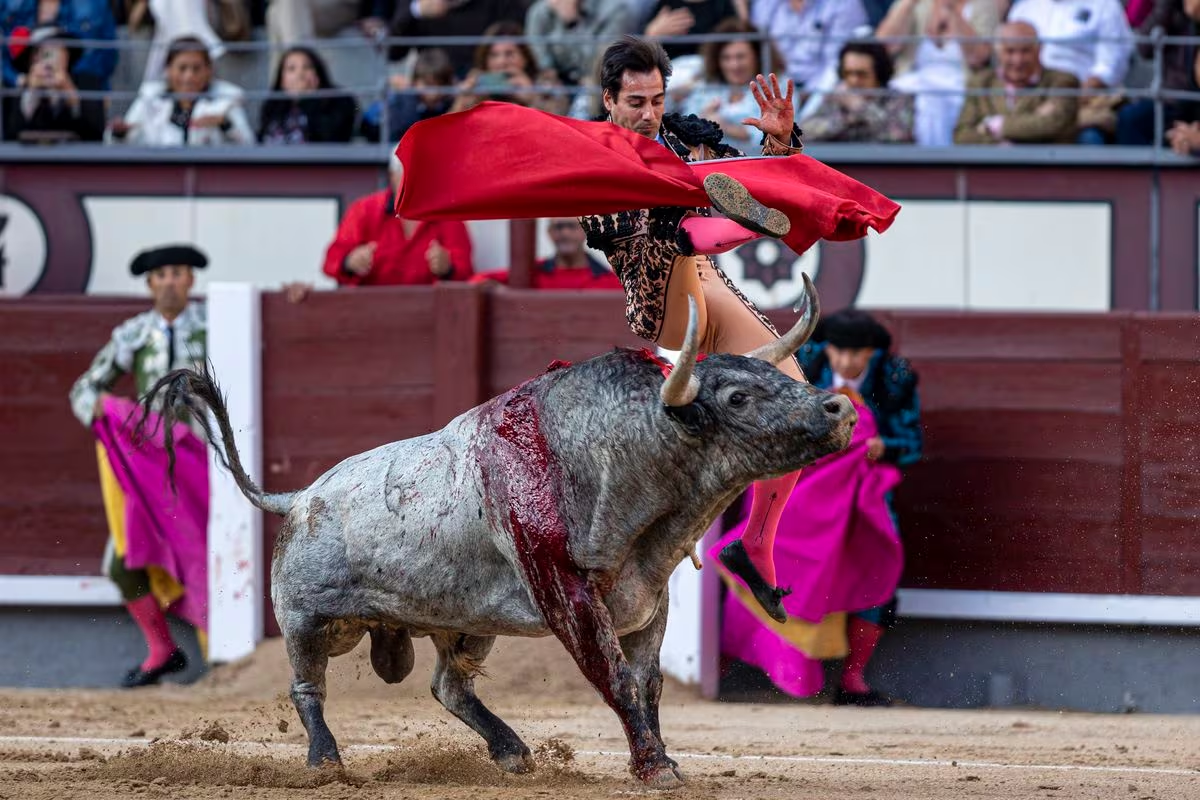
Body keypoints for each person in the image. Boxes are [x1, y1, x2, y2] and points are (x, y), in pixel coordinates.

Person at [393, 34, 901, 622]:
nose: (649, 113)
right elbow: (638, 236)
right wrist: (720, 209)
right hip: (661, 296)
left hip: (712, 284)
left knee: (792, 402)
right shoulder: (588, 158)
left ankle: (754, 544)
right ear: (608, 100)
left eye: (656, 100)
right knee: (681, 233)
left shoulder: (687, 138)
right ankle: (736, 226)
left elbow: (757, 176)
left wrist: (779, 142)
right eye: (636, 102)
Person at [711, 308, 921, 706]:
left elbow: (911, 444)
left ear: (871, 354)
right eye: (839, 352)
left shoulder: (895, 378)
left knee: (878, 570)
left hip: (864, 496)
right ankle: (719, 663)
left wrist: (886, 447)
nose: (845, 362)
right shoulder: (806, 364)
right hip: (805, 488)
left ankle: (852, 680)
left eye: (856, 354)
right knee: (757, 555)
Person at [68, 244, 211, 688]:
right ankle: (162, 649)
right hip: (152, 470)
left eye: (178, 273)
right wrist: (114, 417)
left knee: (207, 557)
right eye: (161, 274)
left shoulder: (216, 324)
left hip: (203, 463)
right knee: (120, 562)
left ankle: (222, 656)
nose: (169, 281)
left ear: (190, 281)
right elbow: (85, 390)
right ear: (150, 284)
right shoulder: (132, 334)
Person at [322, 150, 473, 286]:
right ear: (392, 175)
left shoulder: (446, 214)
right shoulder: (364, 210)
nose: (413, 180)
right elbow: (330, 262)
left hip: (428, 310)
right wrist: (349, 262)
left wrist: (448, 268)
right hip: (372, 308)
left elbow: (466, 270)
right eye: (405, 171)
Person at [110, 35, 255, 147]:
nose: (189, 76)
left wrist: (225, 125)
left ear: (209, 71)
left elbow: (249, 146)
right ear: (168, 70)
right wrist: (119, 134)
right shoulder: (149, 99)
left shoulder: (226, 101)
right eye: (182, 68)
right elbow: (118, 146)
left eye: (196, 69)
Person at [4, 25, 105, 142]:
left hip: (75, 157)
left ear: (67, 54)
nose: (47, 59)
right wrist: (30, 95)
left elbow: (96, 133)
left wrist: (71, 96)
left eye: (54, 50)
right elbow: (10, 135)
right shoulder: (18, 89)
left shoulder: (88, 83)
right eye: (38, 52)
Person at [470, 217, 624, 289]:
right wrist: (500, 292)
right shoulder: (532, 271)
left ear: (586, 233)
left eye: (571, 227)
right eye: (558, 227)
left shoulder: (609, 280)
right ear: (549, 233)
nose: (564, 233)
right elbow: (477, 280)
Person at [258, 46, 358, 144]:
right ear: (282, 80)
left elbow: (332, 139)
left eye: (307, 67)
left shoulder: (340, 100)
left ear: (318, 73)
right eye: (291, 69)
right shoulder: (272, 106)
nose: (300, 74)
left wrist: (308, 99)